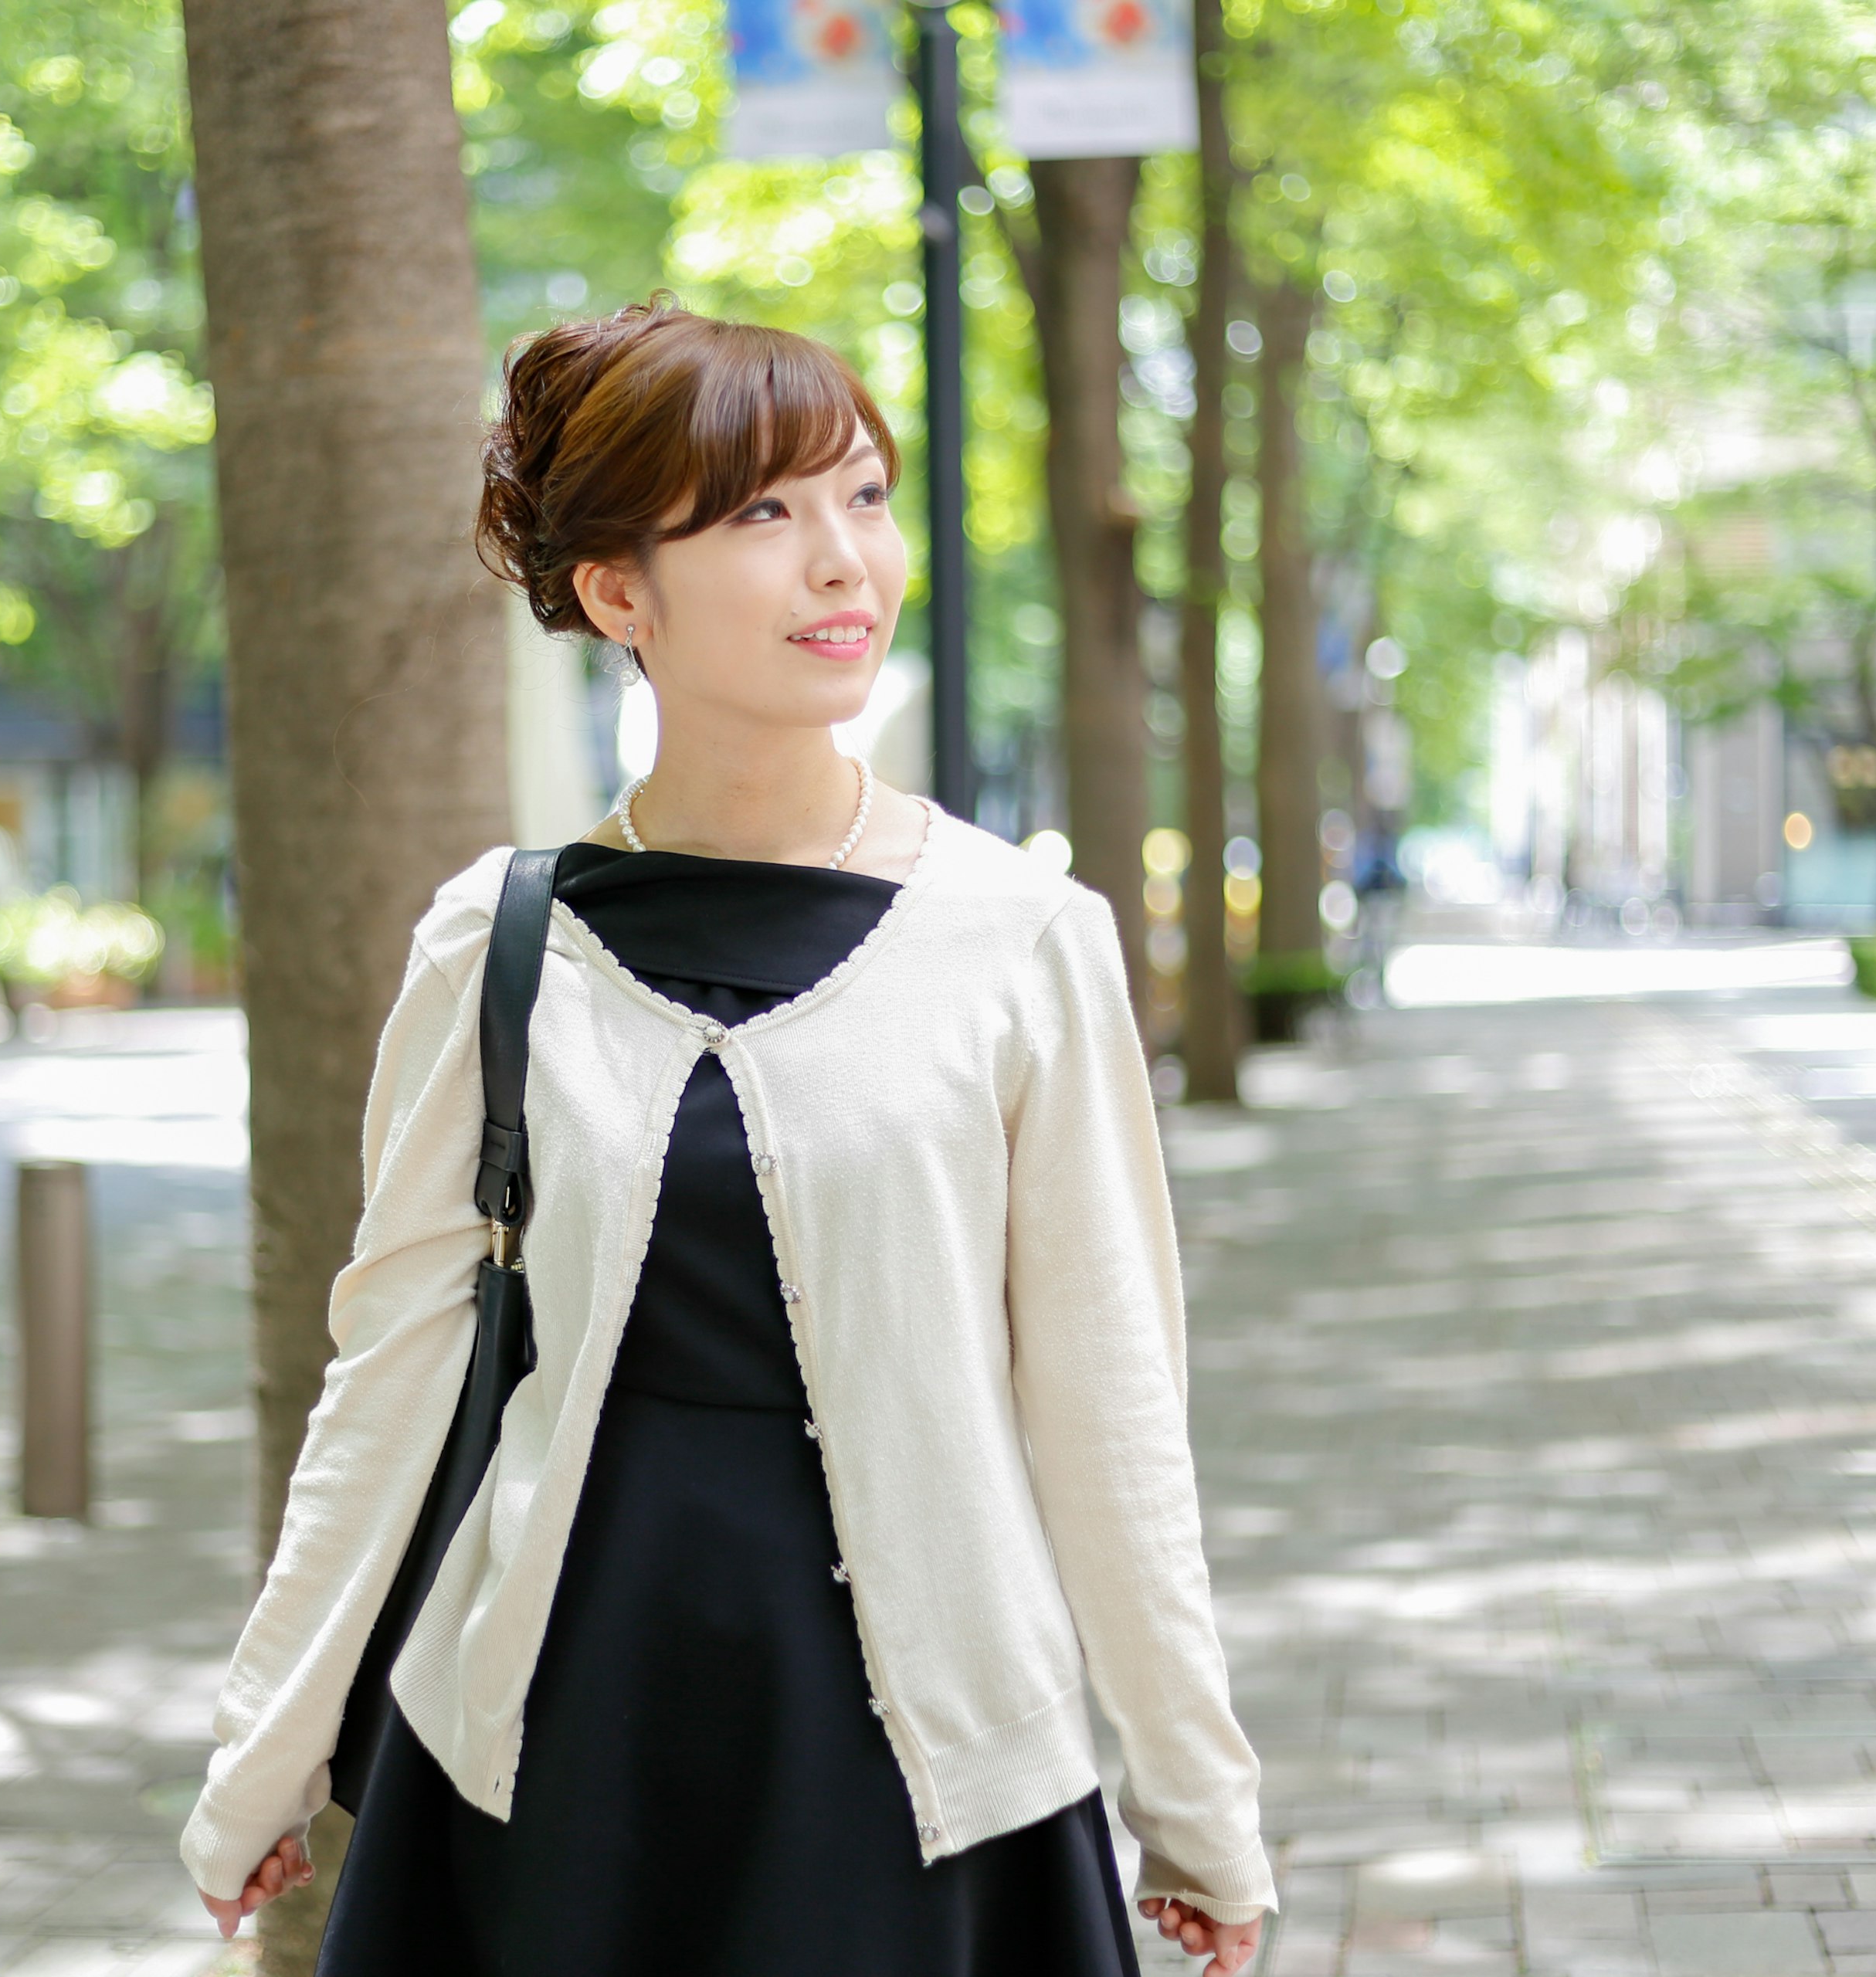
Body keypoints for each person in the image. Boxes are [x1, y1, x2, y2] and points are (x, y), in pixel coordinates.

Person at [178, 298, 1274, 1976]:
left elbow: (1110, 1401)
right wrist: (268, 1749)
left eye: (864, 496)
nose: (843, 561)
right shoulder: (502, 940)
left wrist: (1195, 1797)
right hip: (558, 1732)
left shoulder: (1020, 936)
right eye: (763, 513)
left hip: (919, 1751)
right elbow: (390, 1370)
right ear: (619, 591)